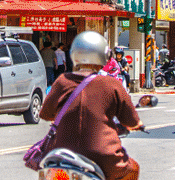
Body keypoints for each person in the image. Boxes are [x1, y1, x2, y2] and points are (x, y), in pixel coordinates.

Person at [40, 31, 143, 180]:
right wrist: (137, 124)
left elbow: (45, 114)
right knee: (132, 168)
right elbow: (131, 121)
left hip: (61, 154)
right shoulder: (112, 84)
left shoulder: (62, 81)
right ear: (103, 56)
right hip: (103, 155)